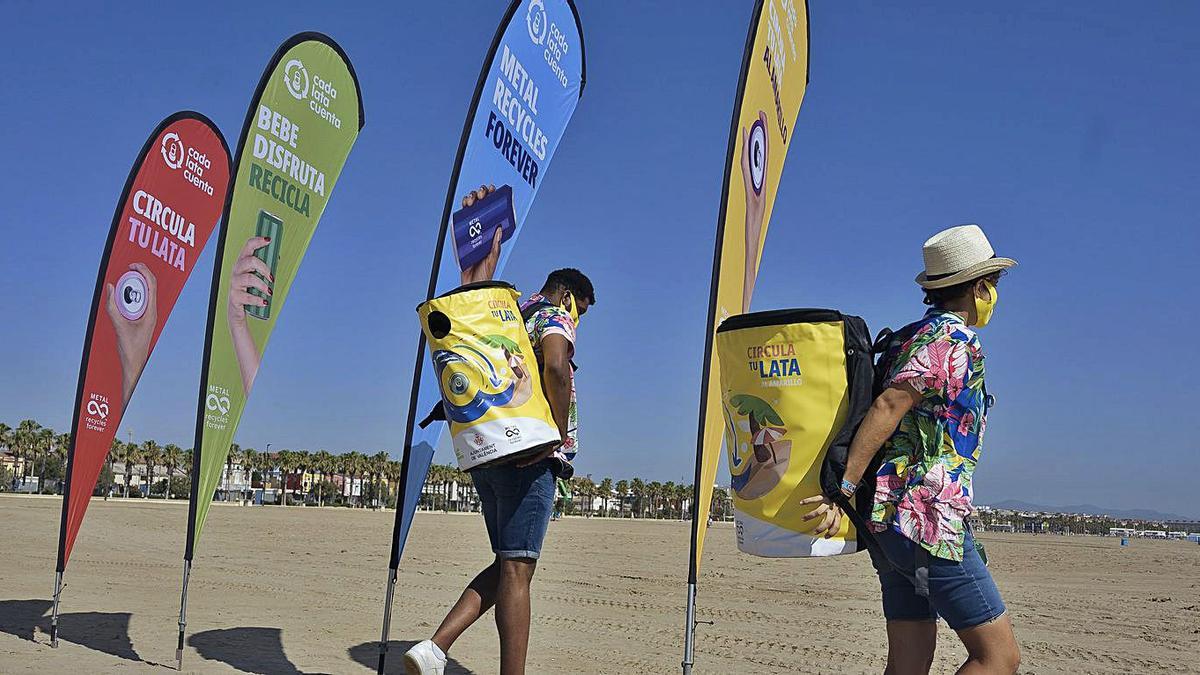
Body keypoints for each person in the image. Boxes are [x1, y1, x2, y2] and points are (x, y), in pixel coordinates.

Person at [801, 224, 1021, 674]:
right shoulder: (953, 341)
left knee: (908, 662)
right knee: (998, 656)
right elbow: (888, 405)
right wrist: (843, 485)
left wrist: (851, 491)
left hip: (890, 526)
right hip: (927, 520)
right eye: (992, 286)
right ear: (978, 286)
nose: (993, 296)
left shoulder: (911, 336)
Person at [405, 268, 595, 675]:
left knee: (507, 564)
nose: (577, 320)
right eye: (579, 310)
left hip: (487, 457)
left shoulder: (511, 314)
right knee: (517, 571)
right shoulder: (552, 316)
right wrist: (556, 437)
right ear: (566, 296)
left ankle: (434, 650)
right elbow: (557, 368)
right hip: (528, 456)